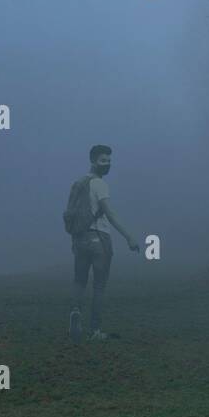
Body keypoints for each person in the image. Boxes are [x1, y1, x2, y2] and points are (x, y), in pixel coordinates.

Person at [64, 144, 140, 342]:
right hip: (100, 239)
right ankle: (96, 331)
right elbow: (109, 213)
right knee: (99, 287)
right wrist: (129, 236)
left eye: (109, 161)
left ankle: (75, 312)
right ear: (93, 161)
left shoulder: (79, 183)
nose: (107, 164)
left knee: (79, 281)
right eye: (103, 161)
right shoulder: (99, 184)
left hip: (80, 239)